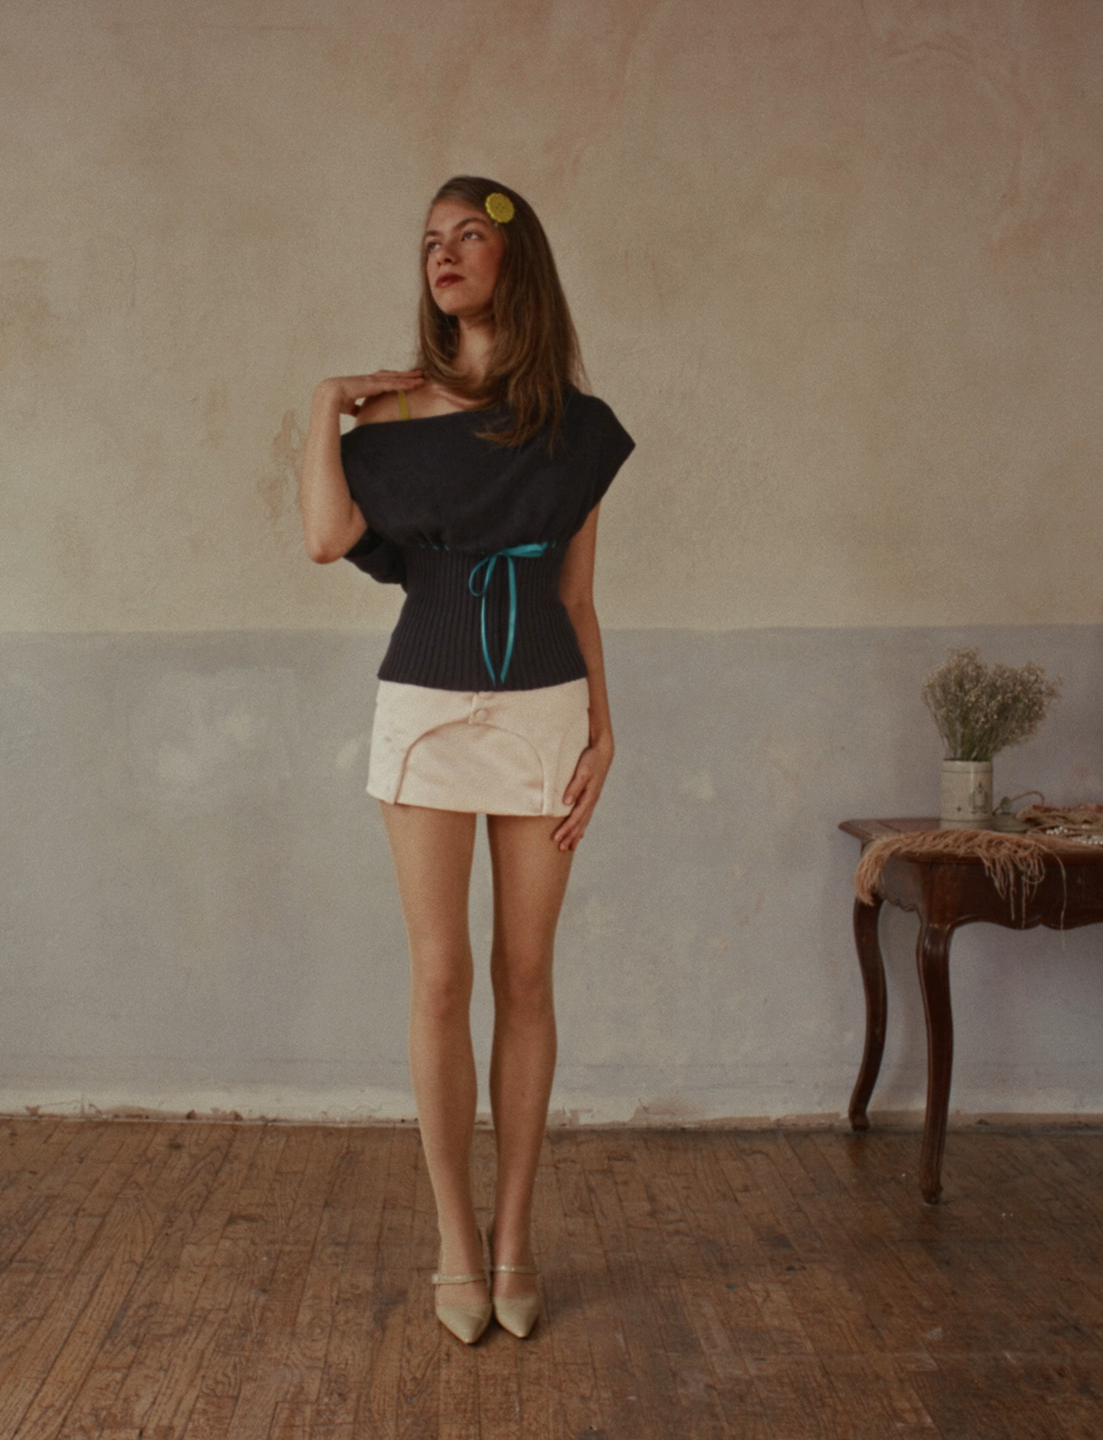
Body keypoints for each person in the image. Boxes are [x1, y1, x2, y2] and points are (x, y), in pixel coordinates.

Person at [297, 176, 633, 1344]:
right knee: (440, 978)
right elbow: (325, 536)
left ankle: (516, 1235)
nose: (443, 255)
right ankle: (453, 1236)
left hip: (544, 708)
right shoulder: (392, 418)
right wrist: (325, 403)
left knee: (526, 976)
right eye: (431, 240)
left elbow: (576, 596)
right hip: (425, 708)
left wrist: (604, 730)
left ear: (513, 260)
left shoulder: (576, 428)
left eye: (468, 236)